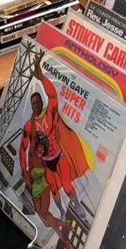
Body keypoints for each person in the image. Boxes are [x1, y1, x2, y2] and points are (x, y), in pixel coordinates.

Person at [19, 55, 94, 236]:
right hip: (46, 164)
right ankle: (60, 210)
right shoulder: (29, 126)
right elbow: (22, 148)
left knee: (67, 187)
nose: (35, 105)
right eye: (33, 103)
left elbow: (53, 95)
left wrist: (42, 78)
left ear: (41, 102)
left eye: (37, 102)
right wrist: (24, 172)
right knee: (53, 191)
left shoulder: (50, 113)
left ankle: (76, 204)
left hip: (58, 157)